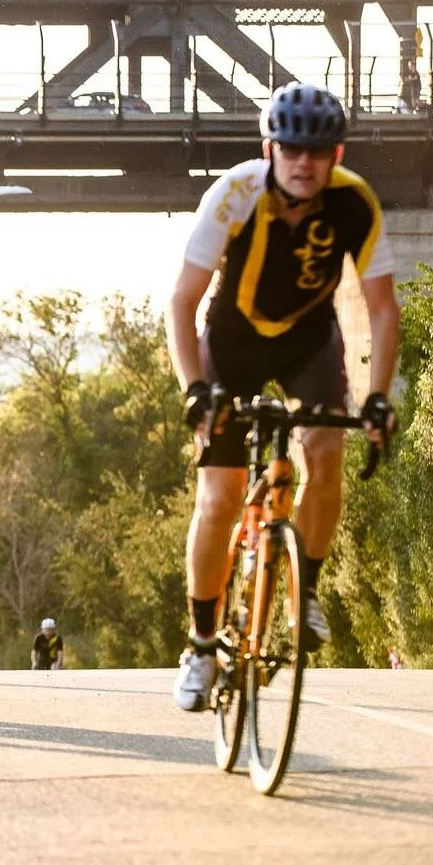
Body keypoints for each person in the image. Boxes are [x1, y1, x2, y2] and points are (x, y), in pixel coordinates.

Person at [164, 82, 400, 712]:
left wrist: (378, 399)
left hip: (308, 343)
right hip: (232, 346)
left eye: (317, 151)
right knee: (217, 495)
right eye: (291, 148)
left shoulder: (355, 203)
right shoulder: (234, 194)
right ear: (269, 148)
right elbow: (182, 302)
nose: (303, 162)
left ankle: (307, 591)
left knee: (324, 451)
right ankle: (203, 642)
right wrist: (196, 390)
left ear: (336, 153)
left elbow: (382, 308)